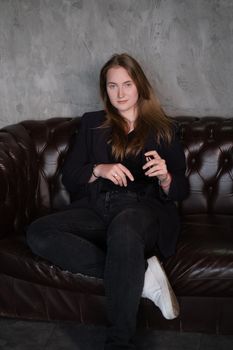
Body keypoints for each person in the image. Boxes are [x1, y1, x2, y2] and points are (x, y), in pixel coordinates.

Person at [27, 53, 189, 349]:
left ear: (139, 86)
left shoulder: (163, 127)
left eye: (127, 84)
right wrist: (98, 169)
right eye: (112, 86)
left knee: (125, 231)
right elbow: (71, 176)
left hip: (144, 210)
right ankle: (140, 272)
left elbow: (181, 190)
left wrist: (166, 177)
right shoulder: (92, 124)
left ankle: (118, 343)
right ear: (105, 89)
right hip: (98, 207)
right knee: (38, 233)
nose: (120, 93)